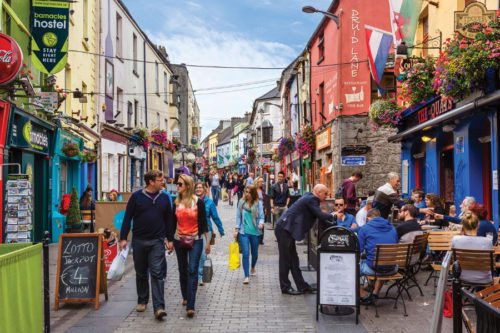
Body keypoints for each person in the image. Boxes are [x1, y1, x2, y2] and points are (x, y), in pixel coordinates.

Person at [119, 170, 174, 320]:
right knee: (141, 272)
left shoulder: (164, 198)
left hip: (157, 241)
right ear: (151, 181)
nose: (162, 182)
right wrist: (123, 238)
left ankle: (159, 307)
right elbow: (127, 217)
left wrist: (170, 239)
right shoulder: (136, 197)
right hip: (139, 241)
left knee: (157, 273)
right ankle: (142, 300)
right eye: (159, 179)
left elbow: (169, 220)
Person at [275, 184, 335, 295]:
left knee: (294, 260)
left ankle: (302, 286)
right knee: (285, 260)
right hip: (284, 229)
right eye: (325, 193)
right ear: (318, 192)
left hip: (286, 229)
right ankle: (285, 287)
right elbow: (320, 215)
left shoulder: (309, 196)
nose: (326, 196)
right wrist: (334, 215)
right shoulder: (312, 199)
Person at [173, 174, 210, 318]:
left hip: (196, 239)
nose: (177, 186)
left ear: (188, 186)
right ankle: (186, 296)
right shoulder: (176, 202)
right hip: (179, 239)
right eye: (177, 184)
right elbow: (171, 222)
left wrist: (208, 242)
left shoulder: (198, 202)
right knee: (183, 270)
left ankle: (191, 305)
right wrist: (169, 240)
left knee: (193, 269)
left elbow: (203, 223)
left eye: (180, 184)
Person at [357, 208, 398, 304]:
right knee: (383, 259)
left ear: (368, 218)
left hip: (374, 269)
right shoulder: (392, 227)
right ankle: (375, 293)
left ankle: (363, 296)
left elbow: (359, 250)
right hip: (392, 268)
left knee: (352, 270)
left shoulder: (365, 228)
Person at [194, 182, 224, 286]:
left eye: (200, 187)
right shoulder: (191, 201)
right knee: (194, 254)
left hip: (206, 230)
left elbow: (215, 217)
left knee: (203, 254)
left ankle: (200, 276)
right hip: (193, 230)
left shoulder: (209, 202)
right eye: (196, 187)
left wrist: (221, 230)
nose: (198, 189)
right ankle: (195, 273)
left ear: (204, 189)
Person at [451, 211, 493, 284]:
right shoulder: (487, 241)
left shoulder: (455, 239)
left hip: (461, 277)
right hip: (484, 279)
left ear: (463, 226)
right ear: (478, 225)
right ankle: (480, 294)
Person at [234, 185, 264, 284]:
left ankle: (252, 267)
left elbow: (261, 216)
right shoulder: (241, 203)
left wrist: (260, 223)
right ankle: (246, 276)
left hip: (255, 232)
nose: (247, 194)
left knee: (254, 254)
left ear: (253, 193)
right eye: (246, 192)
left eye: (249, 192)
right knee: (246, 254)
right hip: (243, 232)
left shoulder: (258, 203)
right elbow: (238, 217)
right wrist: (236, 229)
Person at [254, 177, 266, 245]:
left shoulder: (263, 190)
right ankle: (255, 236)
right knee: (255, 222)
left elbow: (265, 199)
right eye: (260, 181)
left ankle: (261, 239)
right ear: (257, 182)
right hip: (255, 207)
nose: (262, 183)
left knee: (262, 222)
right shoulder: (254, 190)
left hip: (262, 207)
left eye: (262, 181)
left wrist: (265, 208)